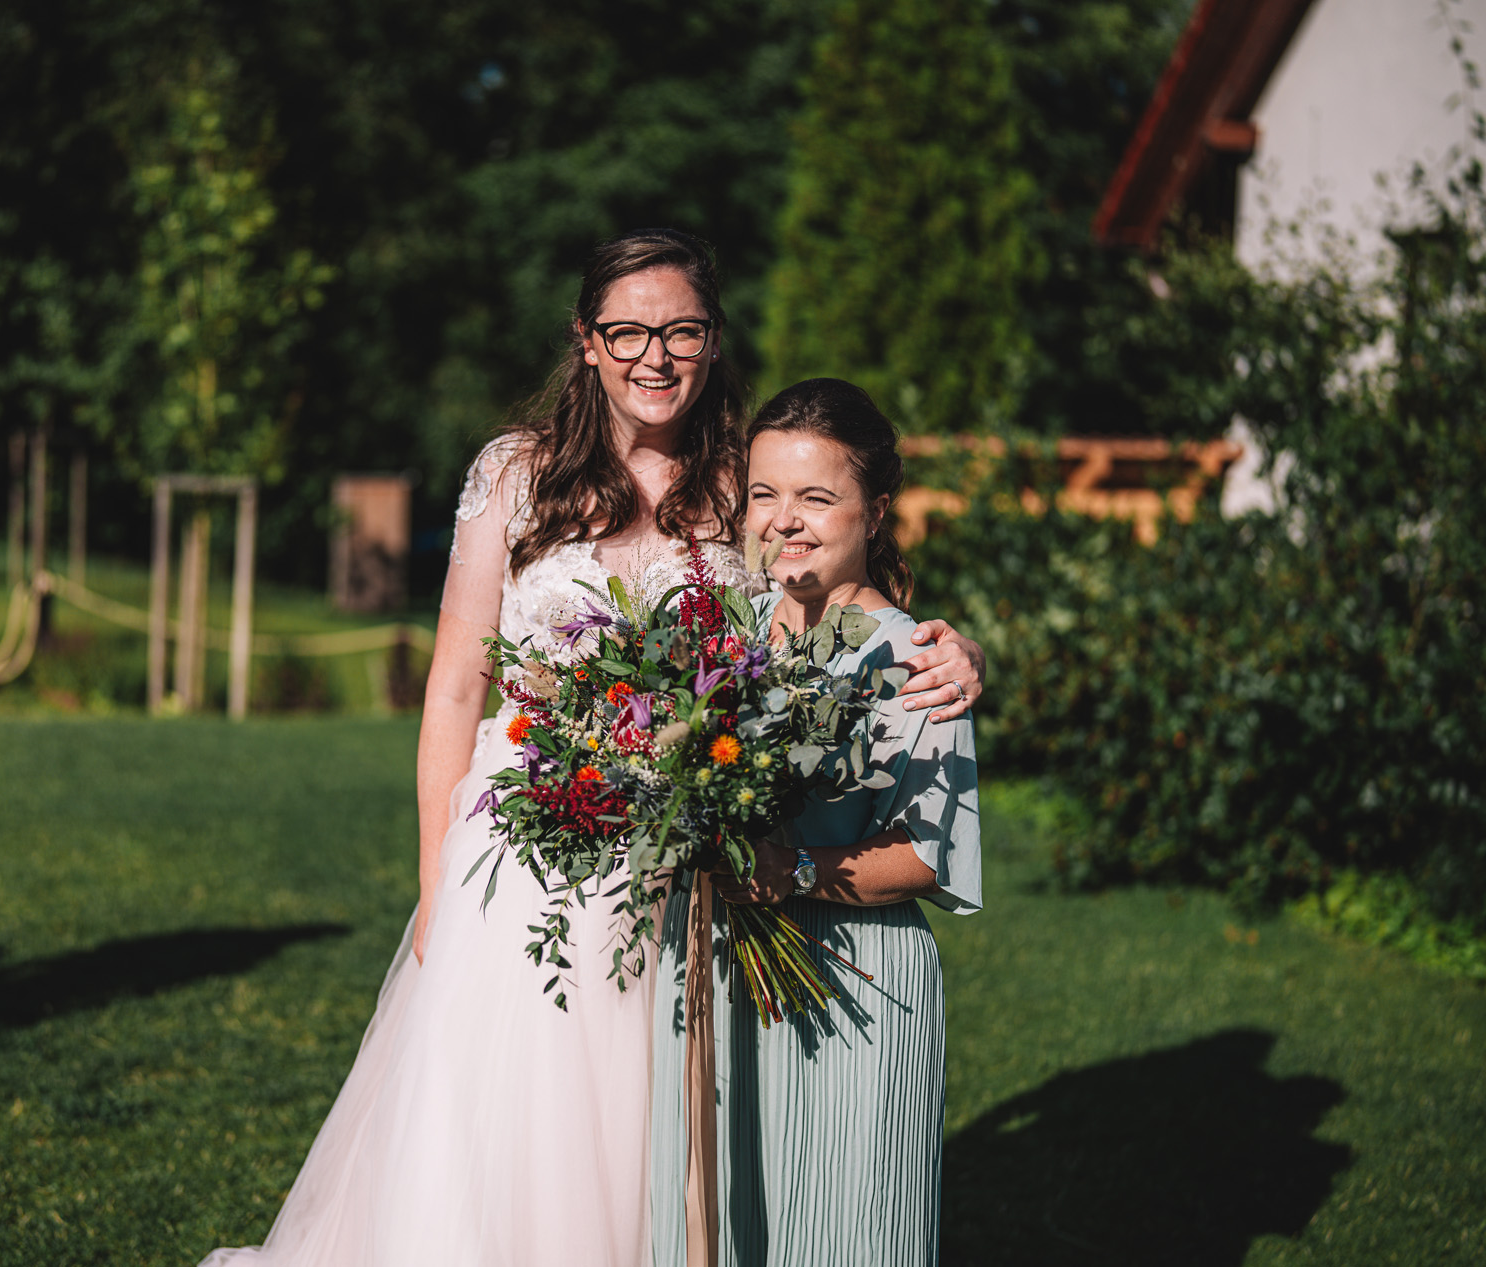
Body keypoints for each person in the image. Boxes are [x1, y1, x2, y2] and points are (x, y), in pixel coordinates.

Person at [200, 235, 984, 1267]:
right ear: (587, 341)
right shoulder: (514, 475)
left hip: (678, 868)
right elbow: (454, 686)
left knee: (648, 1133)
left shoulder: (740, 484)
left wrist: (952, 647)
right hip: (521, 853)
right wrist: (435, 883)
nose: (654, 355)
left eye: (682, 331)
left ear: (713, 341)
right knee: (496, 1137)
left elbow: (821, 595)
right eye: (628, 331)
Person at [649, 378, 982, 1267]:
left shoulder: (919, 660)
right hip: (719, 970)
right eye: (765, 493)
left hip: (853, 983)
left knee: (839, 1229)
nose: (784, 520)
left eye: (816, 497)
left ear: (876, 511)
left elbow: (926, 855)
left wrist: (786, 870)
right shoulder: (723, 636)